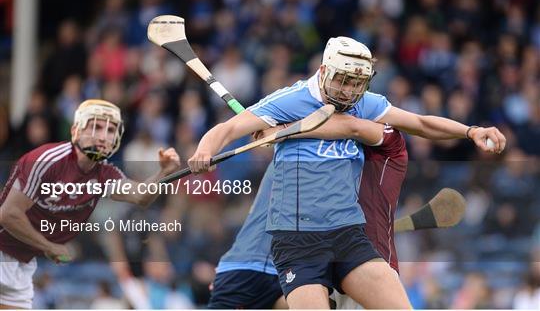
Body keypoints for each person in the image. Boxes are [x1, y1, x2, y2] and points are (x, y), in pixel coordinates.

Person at [189, 37, 505, 308]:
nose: (348, 90)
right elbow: (229, 127)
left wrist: (470, 131)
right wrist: (205, 150)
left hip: (347, 234)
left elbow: (420, 123)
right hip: (298, 240)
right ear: (324, 71)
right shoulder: (291, 100)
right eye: (342, 80)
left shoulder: (364, 105)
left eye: (356, 83)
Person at [0, 99, 181, 309]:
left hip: (20, 263)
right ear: (75, 131)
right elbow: (8, 214)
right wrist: (48, 246)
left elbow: (140, 197)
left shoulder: (104, 173)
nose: (103, 136)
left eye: (111, 130)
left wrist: (164, 173)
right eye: (95, 127)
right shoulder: (47, 161)